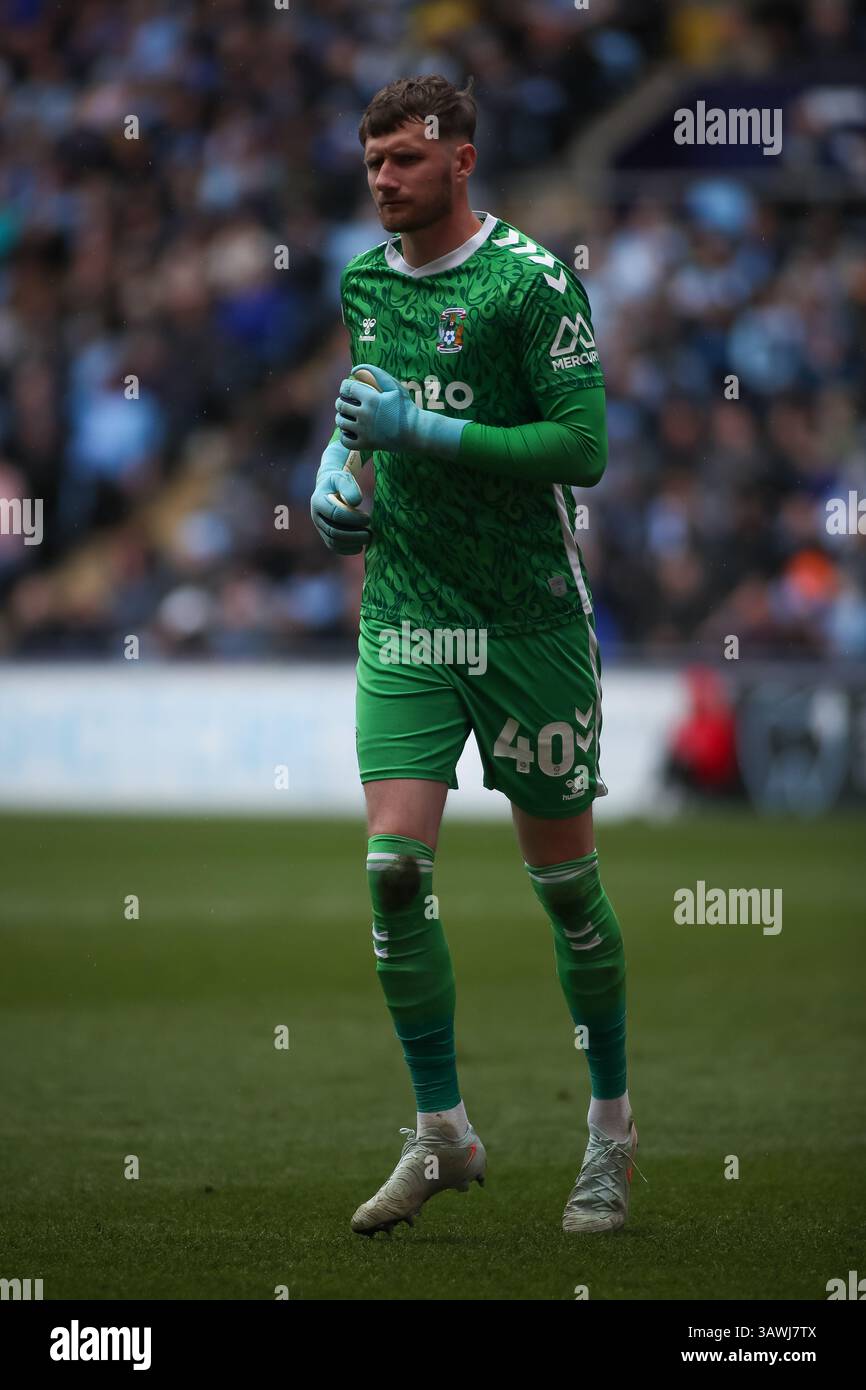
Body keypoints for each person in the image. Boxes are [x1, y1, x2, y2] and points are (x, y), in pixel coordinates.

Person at [311, 74, 643, 1237]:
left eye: (403, 159)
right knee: (391, 871)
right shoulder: (362, 279)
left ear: (459, 159)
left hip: (527, 621)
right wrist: (337, 481)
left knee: (565, 891)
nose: (382, 181)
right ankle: (442, 1131)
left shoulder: (530, 283)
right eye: (371, 163)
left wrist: (426, 430)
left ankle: (608, 1135)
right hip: (404, 608)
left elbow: (582, 448)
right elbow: (363, 407)